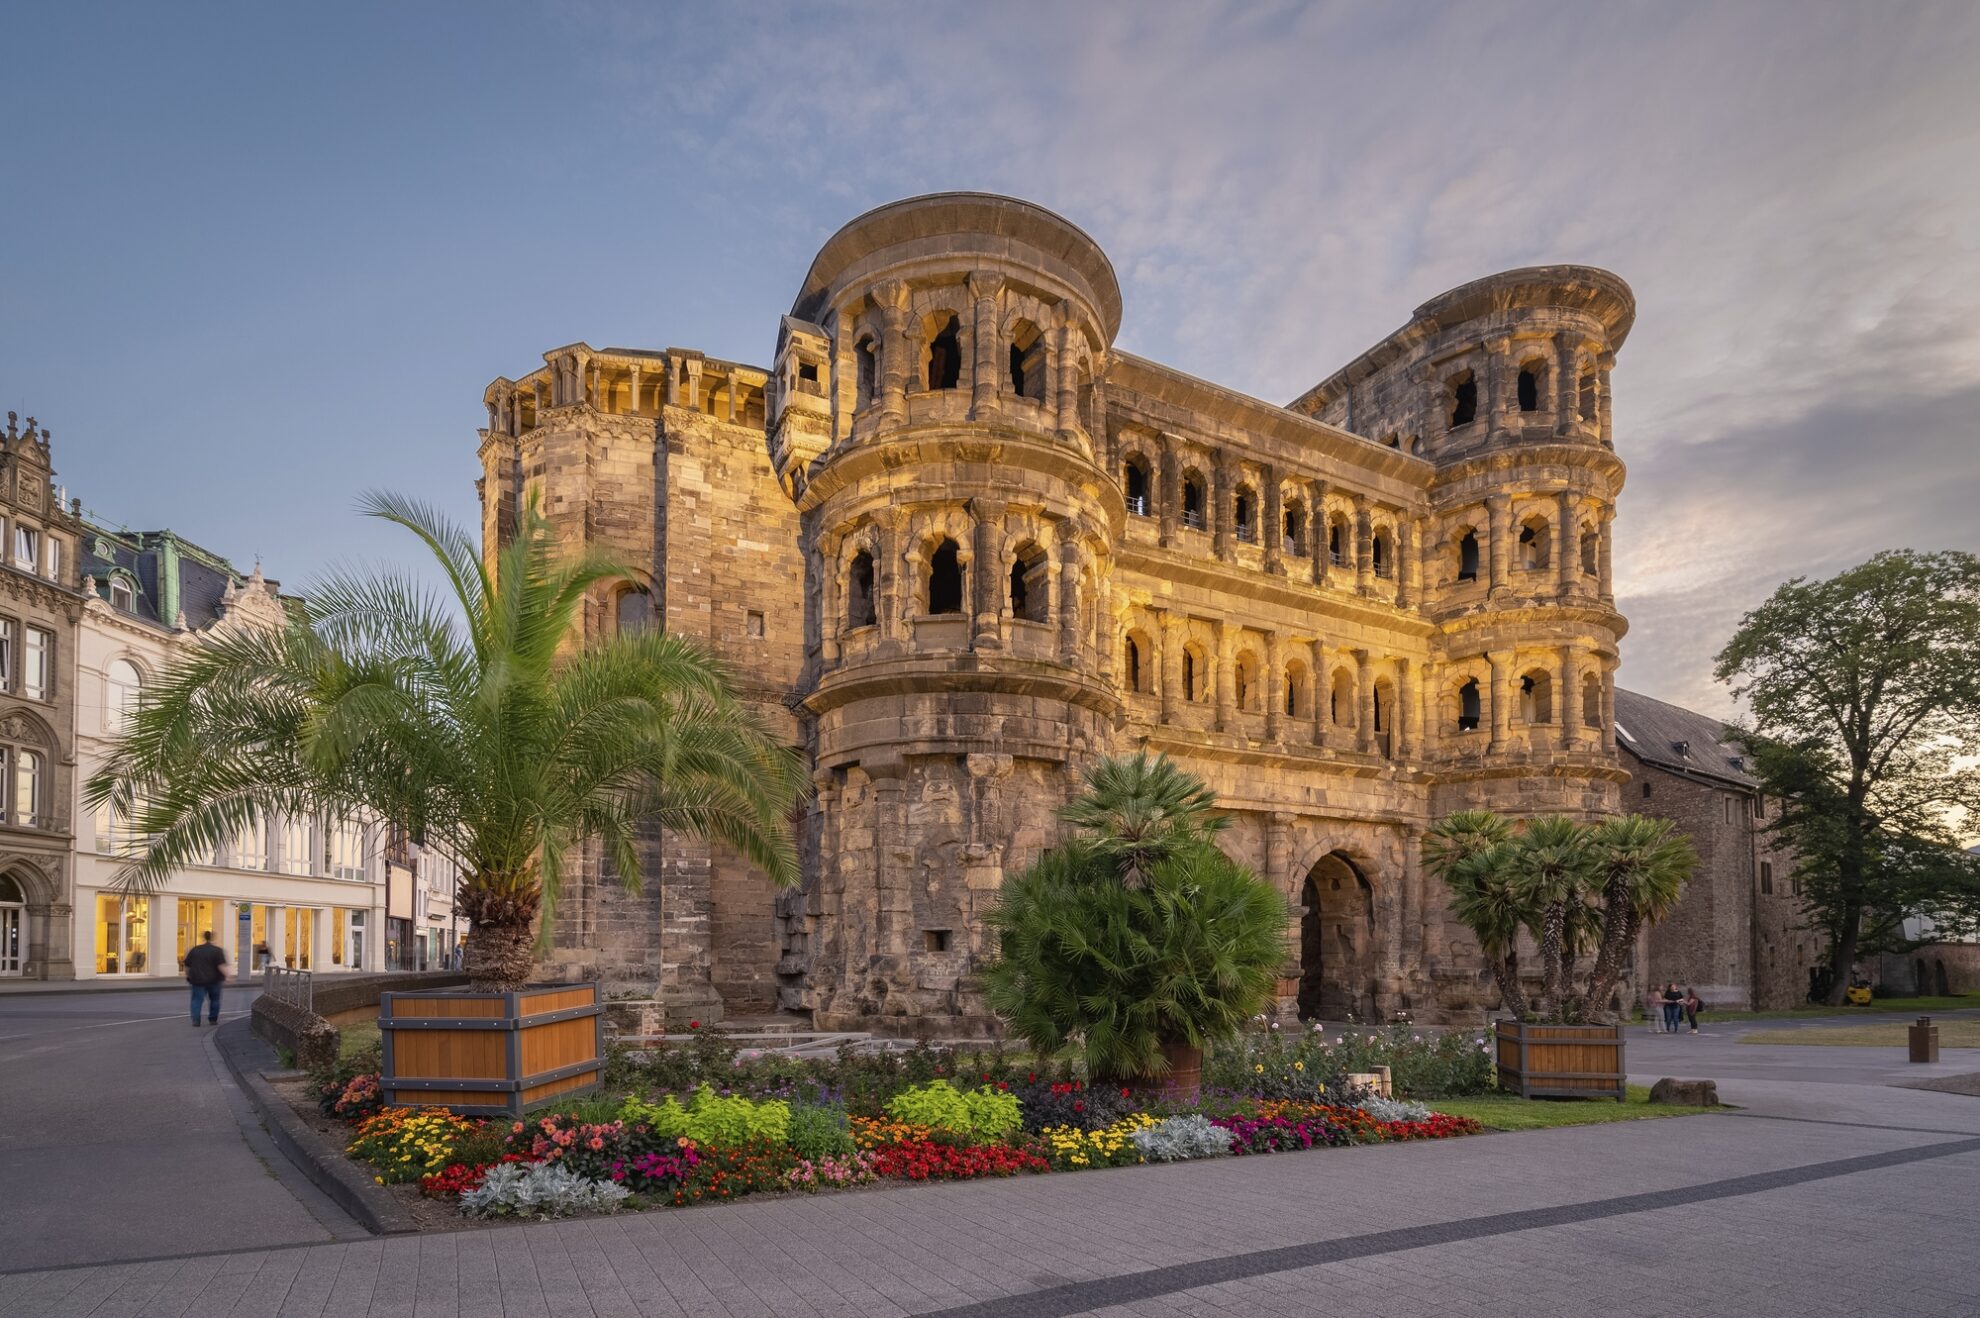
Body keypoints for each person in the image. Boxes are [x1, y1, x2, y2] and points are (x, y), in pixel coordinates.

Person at [185, 930, 229, 1027]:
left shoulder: (195, 950)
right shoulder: (217, 950)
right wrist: (227, 976)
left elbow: (187, 965)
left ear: (203, 937)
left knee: (197, 1000)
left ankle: (196, 1020)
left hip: (197, 980)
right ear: (212, 938)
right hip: (214, 980)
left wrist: (188, 975)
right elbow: (221, 966)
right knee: (215, 1000)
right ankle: (213, 1019)